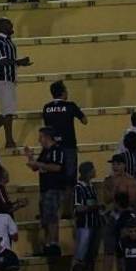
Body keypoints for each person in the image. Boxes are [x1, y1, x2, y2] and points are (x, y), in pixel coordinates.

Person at [0, 17, 32, 148]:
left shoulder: (9, 42)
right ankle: (8, 141)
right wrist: (19, 62)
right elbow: (2, 61)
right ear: (2, 27)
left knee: (7, 110)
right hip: (1, 79)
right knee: (8, 111)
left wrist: (20, 63)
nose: (12, 25)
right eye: (9, 24)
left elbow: (8, 61)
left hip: (8, 80)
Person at [43, 80, 88, 216]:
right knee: (69, 181)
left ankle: (53, 211)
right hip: (68, 148)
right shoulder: (70, 106)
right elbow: (85, 120)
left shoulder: (46, 107)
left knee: (55, 181)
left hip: (53, 149)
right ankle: (67, 212)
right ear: (63, 93)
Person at [25, 126, 65, 256]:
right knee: (45, 218)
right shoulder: (45, 151)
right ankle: (48, 244)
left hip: (53, 188)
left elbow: (57, 167)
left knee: (52, 217)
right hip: (45, 189)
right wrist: (30, 158)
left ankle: (54, 243)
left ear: (47, 137)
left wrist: (38, 164)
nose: (39, 140)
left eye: (40, 137)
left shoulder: (56, 150)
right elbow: (35, 168)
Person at [73, 162, 102, 271]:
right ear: (88, 172)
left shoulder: (91, 186)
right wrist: (94, 207)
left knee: (91, 256)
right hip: (84, 226)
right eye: (93, 170)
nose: (95, 172)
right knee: (80, 256)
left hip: (95, 225)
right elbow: (78, 208)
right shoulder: (78, 188)